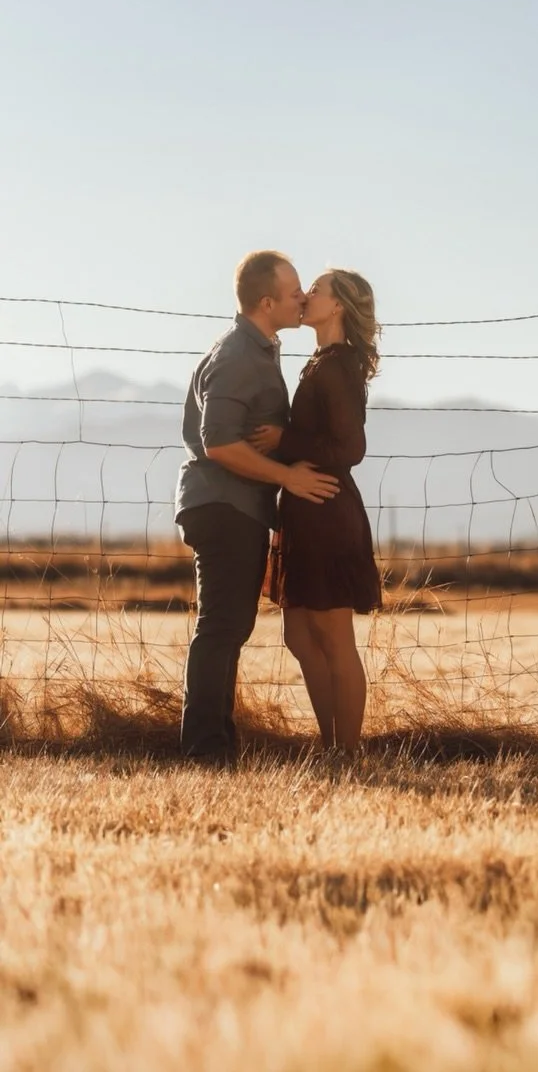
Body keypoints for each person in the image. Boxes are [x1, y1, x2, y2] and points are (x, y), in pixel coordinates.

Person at [175, 252, 338, 764]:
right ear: (266, 302)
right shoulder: (238, 357)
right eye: (294, 293)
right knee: (222, 627)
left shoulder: (260, 351)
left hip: (236, 506)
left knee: (229, 626)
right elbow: (218, 443)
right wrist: (288, 475)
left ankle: (217, 742)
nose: (302, 299)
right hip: (224, 506)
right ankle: (205, 748)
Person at [252, 270, 383, 755]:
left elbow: (350, 447)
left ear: (339, 307)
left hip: (326, 510)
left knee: (332, 635)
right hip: (303, 510)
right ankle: (331, 746)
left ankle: (346, 754)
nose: (306, 295)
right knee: (300, 635)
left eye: (318, 290)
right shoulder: (321, 361)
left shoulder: (339, 365)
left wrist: (285, 441)